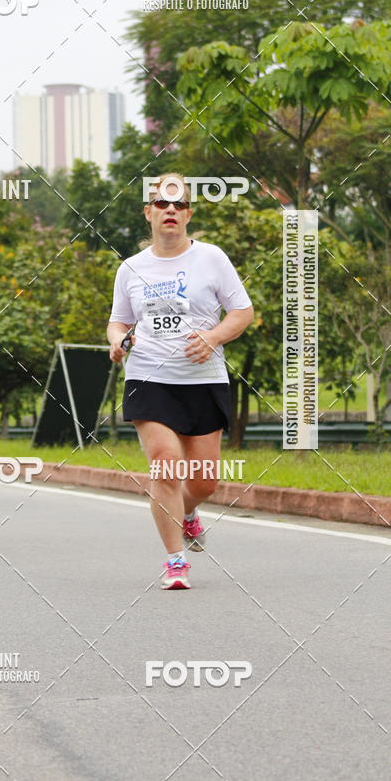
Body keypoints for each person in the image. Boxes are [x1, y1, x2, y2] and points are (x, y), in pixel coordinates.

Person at [107, 175, 254, 590]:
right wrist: (118, 341)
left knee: (204, 481)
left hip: (203, 380)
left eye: (178, 204)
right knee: (166, 467)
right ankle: (175, 560)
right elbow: (118, 320)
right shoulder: (131, 268)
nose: (169, 210)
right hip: (149, 378)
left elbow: (242, 313)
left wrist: (212, 337)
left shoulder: (211, 258)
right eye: (161, 203)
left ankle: (188, 513)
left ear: (188, 213)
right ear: (149, 212)